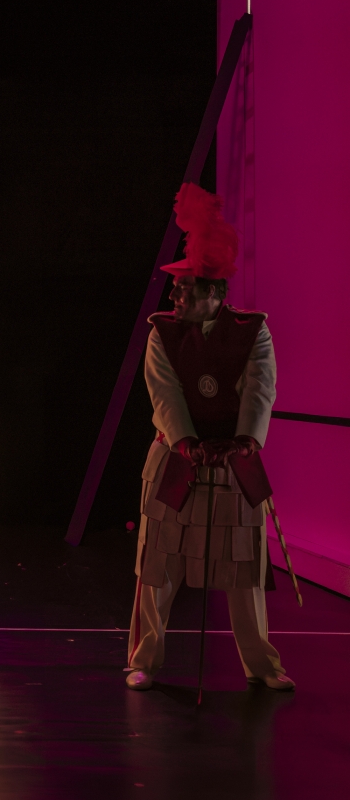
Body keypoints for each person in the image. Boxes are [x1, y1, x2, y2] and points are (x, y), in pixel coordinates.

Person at [126, 184, 292, 691]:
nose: (175, 296)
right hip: (177, 457)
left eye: (186, 289)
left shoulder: (251, 331)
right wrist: (185, 442)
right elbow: (166, 394)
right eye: (176, 288)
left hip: (232, 459)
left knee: (245, 566)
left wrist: (245, 440)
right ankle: (143, 660)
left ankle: (262, 666)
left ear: (215, 294)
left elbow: (259, 389)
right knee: (159, 565)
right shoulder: (162, 331)